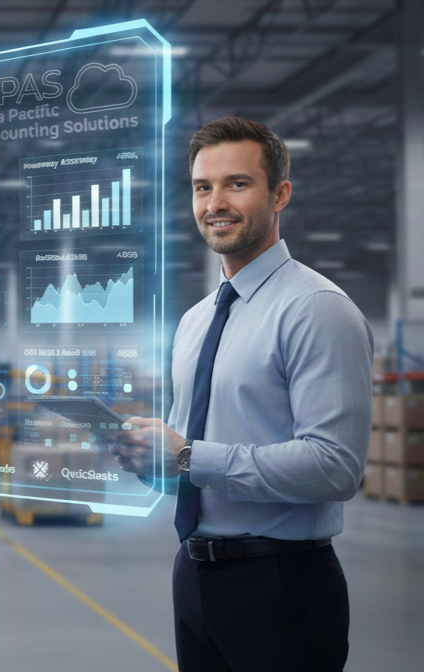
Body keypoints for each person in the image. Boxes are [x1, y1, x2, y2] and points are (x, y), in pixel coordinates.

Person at [110, 117, 373, 671]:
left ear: (280, 194)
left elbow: (336, 467)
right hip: (195, 572)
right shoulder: (196, 320)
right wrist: (151, 458)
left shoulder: (316, 309)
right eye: (203, 187)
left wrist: (186, 454)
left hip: (280, 584)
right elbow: (190, 454)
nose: (215, 203)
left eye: (237, 183)